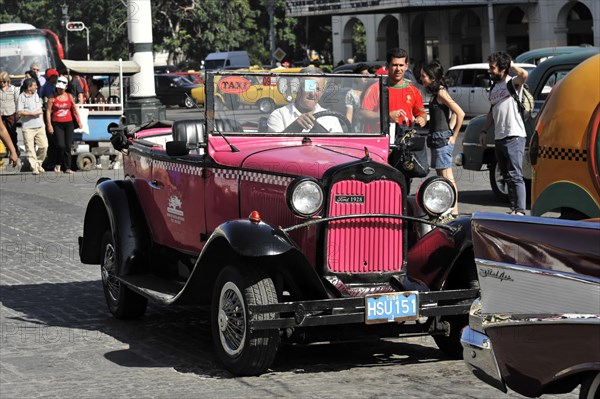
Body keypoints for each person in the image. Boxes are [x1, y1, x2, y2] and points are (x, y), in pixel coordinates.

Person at [479, 51, 529, 216]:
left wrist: (511, 64)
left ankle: (520, 211)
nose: (490, 71)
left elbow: (524, 74)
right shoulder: (494, 88)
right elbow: (492, 111)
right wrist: (484, 131)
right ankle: (514, 209)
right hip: (499, 137)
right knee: (507, 175)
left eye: (492, 68)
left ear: (503, 68)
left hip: (514, 135)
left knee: (515, 175)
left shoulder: (512, 83)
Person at [420, 61, 465, 217]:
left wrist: (453, 135)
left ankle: (453, 211)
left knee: (447, 178)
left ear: (433, 77)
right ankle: (448, 211)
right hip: (438, 138)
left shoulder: (441, 92)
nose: (421, 79)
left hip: (441, 140)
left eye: (424, 76)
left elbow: (460, 113)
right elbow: (451, 114)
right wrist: (450, 129)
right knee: (442, 178)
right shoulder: (437, 93)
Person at [360, 48, 427, 132]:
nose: (398, 69)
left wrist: (422, 119)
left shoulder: (413, 90)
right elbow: (362, 114)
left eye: (401, 65)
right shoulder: (376, 88)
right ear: (387, 66)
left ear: (406, 66)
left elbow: (422, 113)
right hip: (380, 140)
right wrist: (386, 116)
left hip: (404, 140)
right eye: (395, 65)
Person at [267, 66, 343, 133]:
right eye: (309, 88)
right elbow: (276, 146)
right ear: (297, 88)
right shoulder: (279, 115)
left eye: (318, 89)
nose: (312, 94)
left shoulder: (331, 118)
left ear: (322, 93)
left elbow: (340, 146)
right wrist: (294, 127)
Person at [46, 76, 81, 174]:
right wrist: (49, 125)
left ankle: (67, 167)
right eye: (58, 88)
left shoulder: (69, 96)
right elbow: (48, 112)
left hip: (69, 124)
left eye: (61, 88)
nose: (59, 90)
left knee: (68, 146)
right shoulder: (52, 97)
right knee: (61, 145)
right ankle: (58, 163)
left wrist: (79, 121)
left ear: (65, 87)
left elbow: (74, 109)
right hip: (57, 124)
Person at [17, 78, 47, 174]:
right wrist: (32, 113)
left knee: (44, 146)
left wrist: (43, 123)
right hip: (28, 127)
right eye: (34, 85)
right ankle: (34, 167)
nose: (36, 86)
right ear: (29, 87)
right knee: (30, 148)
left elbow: (40, 110)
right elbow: (19, 112)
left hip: (39, 126)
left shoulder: (36, 95)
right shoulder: (21, 97)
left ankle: (38, 164)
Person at [0, 71, 20, 157]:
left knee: (12, 132)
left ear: (8, 81)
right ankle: (6, 149)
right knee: (3, 132)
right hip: (1, 114)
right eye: (0, 82)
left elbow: (17, 101)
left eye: (4, 82)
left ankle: (14, 149)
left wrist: (17, 114)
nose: (2, 83)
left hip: (11, 114)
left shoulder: (13, 89)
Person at [345, 63, 370, 131]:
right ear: (357, 77)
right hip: (358, 128)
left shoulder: (372, 90)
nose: (367, 77)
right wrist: (348, 130)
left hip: (371, 127)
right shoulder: (351, 94)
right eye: (363, 75)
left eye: (368, 75)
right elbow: (349, 114)